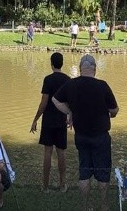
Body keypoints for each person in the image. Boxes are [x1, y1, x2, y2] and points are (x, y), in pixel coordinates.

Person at [53, 54, 119, 211]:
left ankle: (85, 207)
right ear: (95, 69)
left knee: (84, 172)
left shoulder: (71, 84)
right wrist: (111, 113)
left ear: (80, 69)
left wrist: (69, 111)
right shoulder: (102, 85)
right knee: (103, 173)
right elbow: (114, 110)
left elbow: (55, 100)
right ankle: (104, 206)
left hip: (81, 136)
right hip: (101, 137)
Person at [30, 52, 71, 192]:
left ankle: (45, 186)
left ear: (51, 64)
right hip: (61, 120)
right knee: (61, 152)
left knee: (47, 152)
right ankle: (62, 185)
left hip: (48, 120)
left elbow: (44, 103)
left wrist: (35, 119)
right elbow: (69, 102)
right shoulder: (68, 80)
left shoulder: (48, 79)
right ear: (62, 63)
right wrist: (70, 116)